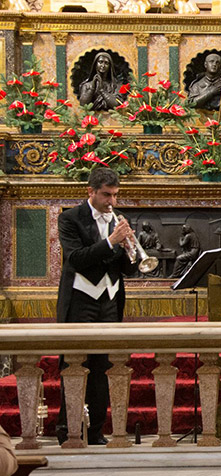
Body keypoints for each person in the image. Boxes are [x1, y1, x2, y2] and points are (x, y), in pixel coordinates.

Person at [56, 167, 139, 446]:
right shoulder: (70, 219)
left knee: (103, 367)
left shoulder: (118, 220)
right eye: (106, 195)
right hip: (81, 299)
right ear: (90, 191)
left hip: (110, 300)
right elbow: (77, 258)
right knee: (76, 365)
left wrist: (130, 249)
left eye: (115, 195)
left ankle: (96, 431)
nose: (111, 201)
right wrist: (111, 241)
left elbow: (127, 269)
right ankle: (68, 429)